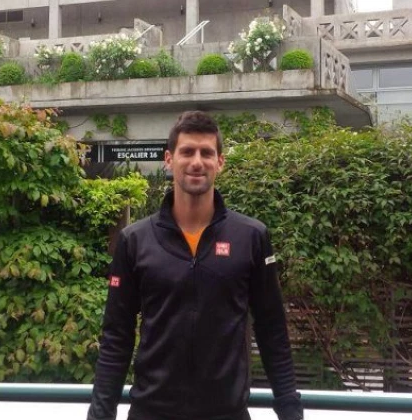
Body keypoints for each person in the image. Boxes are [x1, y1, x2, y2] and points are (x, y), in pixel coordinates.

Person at [87, 111, 303, 420]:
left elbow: (272, 331)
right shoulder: (135, 241)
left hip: (227, 414)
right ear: (169, 159)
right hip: (152, 413)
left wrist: (290, 411)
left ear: (220, 162)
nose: (197, 162)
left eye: (207, 153)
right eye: (187, 151)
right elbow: (116, 338)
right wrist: (100, 414)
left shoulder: (251, 237)